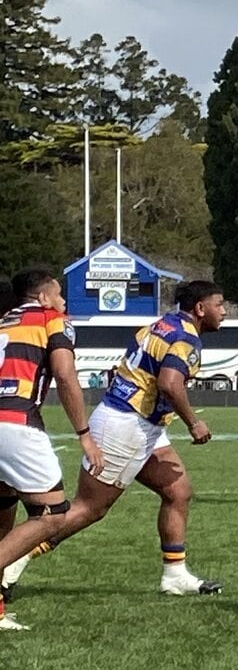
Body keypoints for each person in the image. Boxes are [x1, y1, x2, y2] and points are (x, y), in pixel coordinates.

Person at [0, 279, 229, 600]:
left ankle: (175, 574)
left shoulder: (162, 324)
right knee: (87, 509)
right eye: (219, 305)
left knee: (178, 491)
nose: (224, 312)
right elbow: (170, 383)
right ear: (201, 308)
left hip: (138, 421)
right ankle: (12, 564)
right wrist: (194, 423)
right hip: (127, 425)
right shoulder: (186, 337)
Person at [0, 268, 100, 631]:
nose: (63, 303)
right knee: (52, 514)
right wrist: (84, 433)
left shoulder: (3, 321)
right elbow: (65, 373)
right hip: (15, 422)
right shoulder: (52, 319)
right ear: (43, 298)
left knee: (5, 503)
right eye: (59, 295)